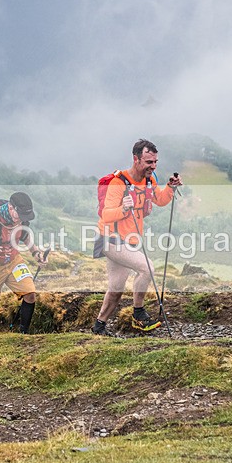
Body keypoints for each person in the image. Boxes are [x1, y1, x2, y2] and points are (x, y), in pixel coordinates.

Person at [93, 139, 183, 335]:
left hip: (130, 240)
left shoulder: (149, 181)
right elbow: (106, 214)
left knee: (116, 288)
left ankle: (98, 327)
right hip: (110, 239)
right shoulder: (119, 183)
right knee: (147, 268)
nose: (153, 166)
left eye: (155, 162)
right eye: (149, 162)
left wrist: (170, 187)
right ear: (136, 159)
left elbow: (159, 200)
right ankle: (138, 315)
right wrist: (124, 208)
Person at [0, 192, 48, 335]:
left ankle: (23, 335)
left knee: (30, 294)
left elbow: (25, 236)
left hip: (13, 262)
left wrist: (36, 254)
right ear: (11, 208)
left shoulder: (22, 219)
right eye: (20, 216)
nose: (21, 220)